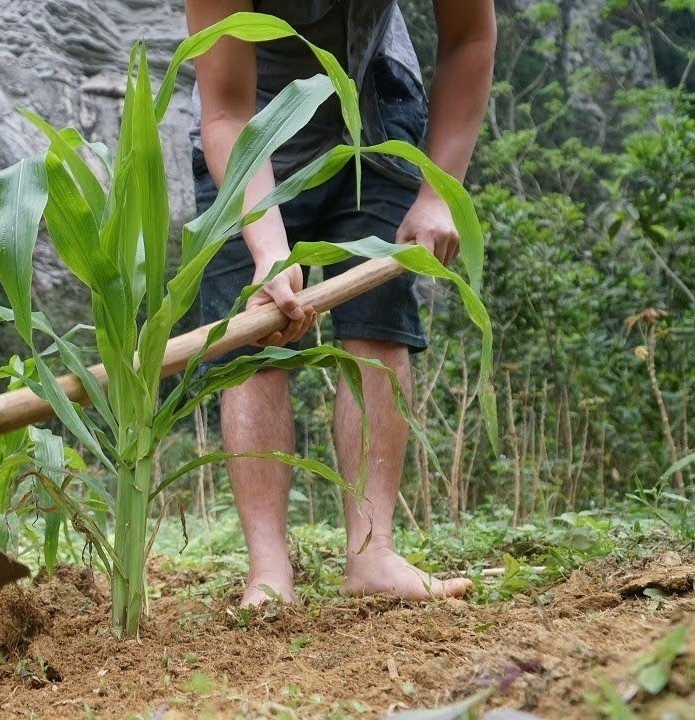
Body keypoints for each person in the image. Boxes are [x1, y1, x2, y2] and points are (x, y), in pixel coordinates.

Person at [185, 0, 497, 606]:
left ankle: (372, 555)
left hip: (377, 113)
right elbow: (226, 109)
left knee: (378, 323)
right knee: (253, 337)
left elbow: (470, 38)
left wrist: (438, 193)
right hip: (250, 128)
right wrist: (270, 249)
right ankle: (269, 574)